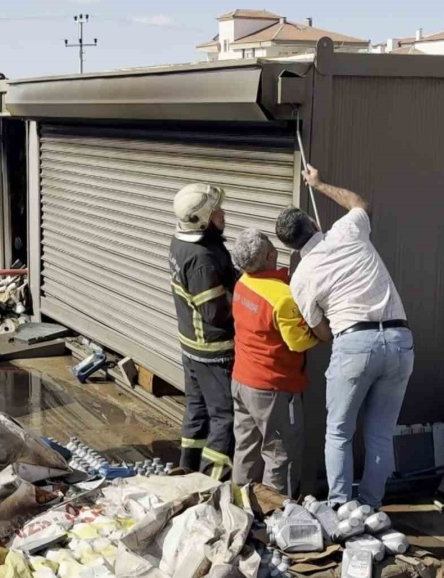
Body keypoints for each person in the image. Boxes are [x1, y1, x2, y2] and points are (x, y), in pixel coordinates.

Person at [276, 165, 414, 509]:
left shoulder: (301, 276)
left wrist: (340, 340)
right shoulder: (347, 231)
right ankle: (369, 508)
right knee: (380, 435)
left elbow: (319, 328)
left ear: (291, 247)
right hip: (399, 339)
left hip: (352, 343)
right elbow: (359, 202)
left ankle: (341, 509)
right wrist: (319, 184)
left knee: (339, 432)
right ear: (312, 223)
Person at [229, 228, 319, 497]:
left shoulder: (242, 283)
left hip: (242, 381)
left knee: (246, 448)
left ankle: (239, 506)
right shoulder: (282, 296)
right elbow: (300, 342)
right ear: (270, 255)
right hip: (273, 389)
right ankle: (275, 517)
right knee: (281, 454)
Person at [169, 182, 237, 480]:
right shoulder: (201, 259)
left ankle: (186, 471)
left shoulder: (184, 242)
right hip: (212, 352)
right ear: (203, 220)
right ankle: (212, 481)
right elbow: (215, 313)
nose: (223, 215)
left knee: (197, 411)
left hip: (191, 347)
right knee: (225, 417)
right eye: (217, 212)